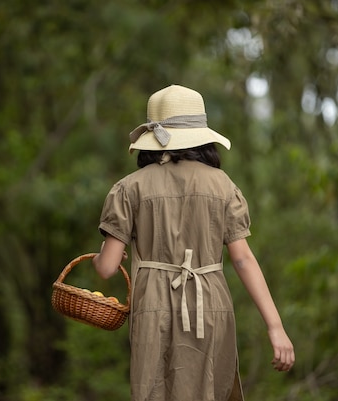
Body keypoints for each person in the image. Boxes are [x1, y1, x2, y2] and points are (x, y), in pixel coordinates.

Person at [92, 85, 295, 401]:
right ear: (201, 135)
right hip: (210, 301)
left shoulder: (129, 188)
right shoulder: (223, 185)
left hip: (152, 305)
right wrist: (276, 327)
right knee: (210, 387)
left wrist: (99, 258)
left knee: (154, 390)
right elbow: (242, 259)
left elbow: (106, 268)